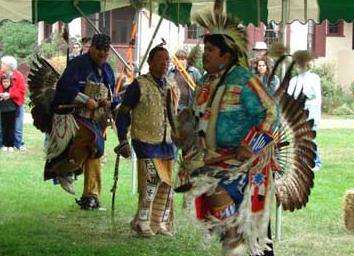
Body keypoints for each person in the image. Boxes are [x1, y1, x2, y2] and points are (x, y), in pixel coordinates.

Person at [178, 12, 278, 255]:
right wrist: (185, 131)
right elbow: (197, 117)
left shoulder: (244, 80)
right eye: (205, 48)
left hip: (245, 162)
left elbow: (270, 112)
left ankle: (244, 246)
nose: (205, 54)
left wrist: (251, 144)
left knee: (251, 226)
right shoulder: (205, 82)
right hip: (215, 159)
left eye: (210, 49)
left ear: (226, 54)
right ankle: (235, 244)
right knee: (228, 222)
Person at [114, 45, 177, 237]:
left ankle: (159, 222)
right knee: (150, 182)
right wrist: (122, 140)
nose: (164, 63)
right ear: (150, 62)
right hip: (145, 141)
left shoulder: (169, 86)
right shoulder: (139, 84)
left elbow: (173, 116)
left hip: (166, 142)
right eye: (160, 59)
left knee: (166, 184)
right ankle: (142, 221)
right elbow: (122, 113)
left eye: (167, 59)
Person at [49, 34, 115, 209]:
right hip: (74, 115)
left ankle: (90, 196)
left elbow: (111, 92)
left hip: (98, 119)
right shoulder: (78, 64)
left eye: (106, 51)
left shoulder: (108, 69)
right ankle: (66, 168)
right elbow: (64, 87)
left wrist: (107, 101)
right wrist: (85, 100)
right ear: (91, 48)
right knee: (94, 142)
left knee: (95, 151)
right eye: (99, 50)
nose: (102, 54)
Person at [287, 50, 322, 171]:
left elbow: (314, 96)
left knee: (310, 137)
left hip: (311, 112)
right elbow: (290, 97)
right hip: (298, 114)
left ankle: (316, 162)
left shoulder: (314, 78)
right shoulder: (293, 80)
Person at [0, 55, 27, 151]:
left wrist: (10, 94)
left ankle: (18, 144)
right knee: (2, 125)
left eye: (3, 63)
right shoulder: (0, 74)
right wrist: (1, 94)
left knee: (17, 127)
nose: (1, 65)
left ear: (8, 65)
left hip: (16, 104)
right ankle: (2, 144)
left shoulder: (18, 75)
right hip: (3, 104)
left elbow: (22, 91)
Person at [0, 75, 19, 152]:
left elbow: (17, 96)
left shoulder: (12, 90)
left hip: (12, 111)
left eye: (7, 81)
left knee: (11, 128)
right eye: (4, 82)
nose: (5, 83)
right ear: (2, 82)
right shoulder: (1, 91)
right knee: (4, 128)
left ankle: (11, 145)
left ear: (10, 82)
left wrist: (10, 95)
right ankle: (4, 144)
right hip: (3, 111)